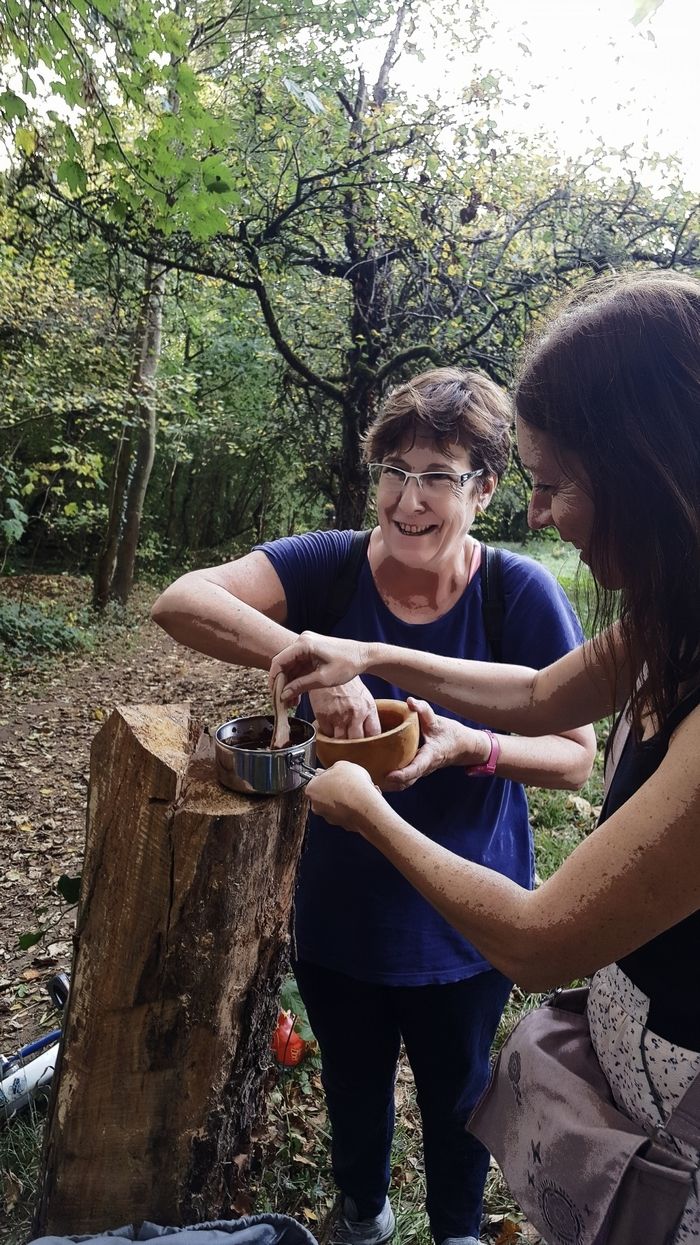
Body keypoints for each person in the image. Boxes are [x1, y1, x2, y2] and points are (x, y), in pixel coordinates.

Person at [270, 272, 700, 1242]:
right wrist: (368, 651)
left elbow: (542, 939)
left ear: (648, 473)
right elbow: (544, 694)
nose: (540, 515)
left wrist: (364, 808)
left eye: (555, 485)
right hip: (637, 1143)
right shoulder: (675, 620)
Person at [151, 367, 595, 1245]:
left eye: (438, 475)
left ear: (488, 487)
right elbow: (180, 601)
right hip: (337, 917)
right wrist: (315, 659)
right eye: (393, 470)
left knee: (461, 1101)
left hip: (466, 919)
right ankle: (362, 1218)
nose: (408, 499)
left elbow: (576, 758)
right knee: (353, 1090)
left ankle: (457, 1231)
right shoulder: (328, 566)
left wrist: (478, 745)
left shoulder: (516, 595)